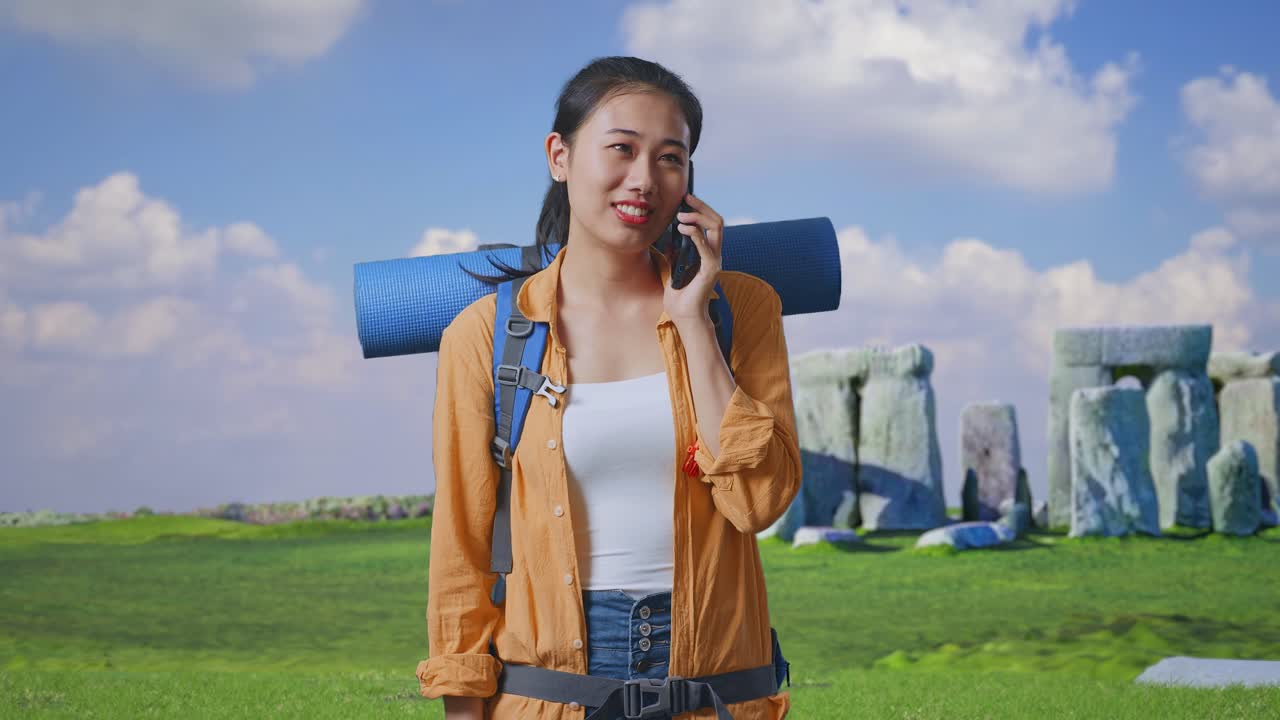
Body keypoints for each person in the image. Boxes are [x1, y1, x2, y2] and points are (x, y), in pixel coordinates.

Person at [416, 55, 801, 719]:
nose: (644, 179)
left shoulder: (741, 310)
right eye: (620, 148)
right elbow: (462, 548)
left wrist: (693, 321)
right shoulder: (486, 335)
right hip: (548, 694)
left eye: (671, 158)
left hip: (716, 693)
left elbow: (759, 501)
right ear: (560, 156)